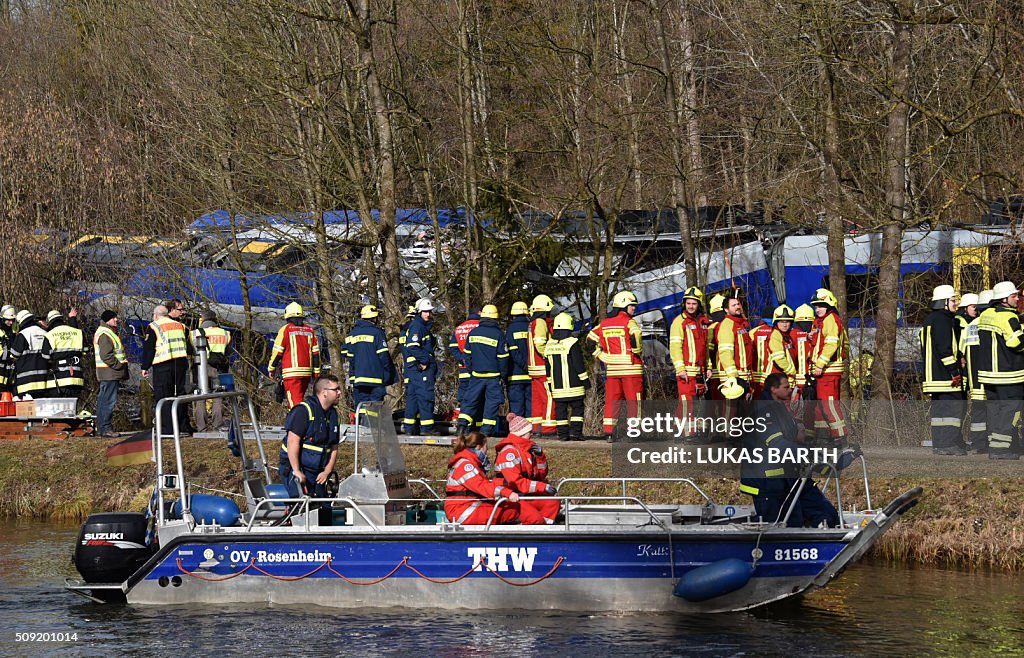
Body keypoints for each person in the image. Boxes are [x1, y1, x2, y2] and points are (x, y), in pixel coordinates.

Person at [741, 373, 840, 528]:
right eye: (786, 387)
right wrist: (807, 453)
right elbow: (777, 443)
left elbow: (790, 437)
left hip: (783, 479)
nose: (790, 390)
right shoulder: (763, 410)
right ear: (774, 389)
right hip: (766, 483)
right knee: (772, 528)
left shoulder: (779, 407)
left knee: (793, 522)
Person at [588, 290, 644, 440]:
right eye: (632, 306)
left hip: (612, 370)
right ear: (623, 306)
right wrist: (637, 351)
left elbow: (590, 340)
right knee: (634, 402)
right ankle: (634, 432)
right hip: (631, 369)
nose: (634, 309)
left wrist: (602, 356)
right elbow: (636, 336)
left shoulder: (604, 324)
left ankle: (609, 432)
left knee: (612, 401)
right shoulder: (630, 322)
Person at [977, 281, 1024, 460]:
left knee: (995, 410)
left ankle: (995, 446)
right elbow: (1016, 343)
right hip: (1008, 374)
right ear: (1004, 299)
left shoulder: (986, 314)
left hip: (988, 375)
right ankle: (1000, 450)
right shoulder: (1008, 318)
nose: (1017, 299)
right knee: (1011, 411)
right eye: (1014, 296)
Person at [920, 285, 966, 455]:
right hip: (945, 376)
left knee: (939, 413)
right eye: (953, 300)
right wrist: (955, 372)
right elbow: (945, 349)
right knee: (953, 410)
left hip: (933, 376)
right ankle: (947, 444)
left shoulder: (931, 319)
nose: (956, 304)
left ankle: (939, 444)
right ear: (944, 302)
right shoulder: (943, 320)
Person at [279, 374, 342, 497]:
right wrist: (296, 471)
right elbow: (292, 442)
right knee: (302, 510)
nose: (339, 392)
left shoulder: (333, 415)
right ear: (324, 392)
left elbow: (334, 447)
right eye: (336, 389)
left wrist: (327, 471)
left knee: (323, 510)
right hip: (297, 469)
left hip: (319, 473)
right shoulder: (303, 411)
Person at [445, 431, 526, 525]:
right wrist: (507, 493)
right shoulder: (466, 465)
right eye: (486, 448)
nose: (487, 452)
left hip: (468, 506)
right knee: (513, 510)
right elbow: (481, 486)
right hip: (463, 510)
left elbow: (483, 485)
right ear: (479, 447)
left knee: (508, 507)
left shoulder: (471, 463)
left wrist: (506, 485)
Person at [495, 413, 560, 523]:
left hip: (524, 494)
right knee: (534, 517)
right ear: (522, 433)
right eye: (529, 432)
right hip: (510, 497)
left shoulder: (526, 450)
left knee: (552, 502)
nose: (531, 434)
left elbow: (540, 475)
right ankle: (537, 528)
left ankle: (546, 529)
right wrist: (542, 487)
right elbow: (515, 482)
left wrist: (540, 457)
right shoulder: (509, 452)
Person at [141, 303, 193, 435]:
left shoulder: (154, 326)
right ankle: (183, 427)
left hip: (163, 365)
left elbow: (149, 349)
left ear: (156, 315)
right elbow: (190, 347)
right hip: (181, 364)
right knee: (180, 395)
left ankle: (167, 428)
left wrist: (145, 367)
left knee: (164, 397)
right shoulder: (181, 326)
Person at [457, 304, 508, 436]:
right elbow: (503, 358)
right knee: (492, 403)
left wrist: (471, 370)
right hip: (493, 377)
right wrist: (503, 374)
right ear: (495, 318)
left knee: (470, 401)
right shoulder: (498, 334)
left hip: (476, 375)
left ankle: (462, 426)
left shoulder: (473, 333)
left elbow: (466, 355)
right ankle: (485, 431)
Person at [809, 288, 848, 445]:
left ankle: (840, 436)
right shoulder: (823, 321)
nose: (817, 309)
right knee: (821, 405)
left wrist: (820, 364)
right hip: (824, 370)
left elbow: (831, 345)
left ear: (829, 305)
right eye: (816, 306)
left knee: (829, 404)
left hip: (828, 370)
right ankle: (823, 435)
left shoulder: (831, 319)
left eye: (820, 305)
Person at [544, 312, 590, 441]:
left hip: (557, 386)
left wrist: (549, 383)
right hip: (574, 385)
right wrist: (585, 380)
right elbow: (578, 364)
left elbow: (547, 367)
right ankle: (576, 433)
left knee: (561, 411)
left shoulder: (549, 344)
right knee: (577, 409)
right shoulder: (572, 342)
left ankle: (563, 435)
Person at [343, 304, 396, 414]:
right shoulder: (377, 333)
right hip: (376, 380)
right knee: (375, 409)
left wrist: (353, 376)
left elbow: (347, 355)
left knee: (361, 408)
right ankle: (374, 430)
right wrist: (389, 375)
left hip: (359, 380)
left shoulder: (351, 335)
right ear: (375, 318)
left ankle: (362, 429)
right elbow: (384, 357)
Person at [669, 287, 709, 433]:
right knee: (688, 404)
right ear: (684, 304)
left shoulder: (703, 322)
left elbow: (705, 348)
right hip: (686, 370)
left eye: (694, 303)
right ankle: (688, 434)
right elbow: (675, 347)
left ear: (699, 305)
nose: (691, 306)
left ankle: (678, 431)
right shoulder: (679, 322)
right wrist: (680, 369)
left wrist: (708, 367)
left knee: (688, 404)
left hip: (699, 371)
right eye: (688, 303)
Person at [268, 302, 320, 408]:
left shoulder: (286, 330)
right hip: (306, 372)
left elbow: (277, 352)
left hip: (291, 373)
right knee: (299, 400)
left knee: (295, 404)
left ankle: (298, 423)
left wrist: (271, 369)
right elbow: (316, 354)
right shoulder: (310, 330)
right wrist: (316, 374)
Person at [402, 298, 440, 435]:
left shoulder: (421, 327)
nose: (428, 314)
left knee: (413, 398)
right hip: (420, 369)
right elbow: (412, 346)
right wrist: (425, 360)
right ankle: (427, 428)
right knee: (425, 397)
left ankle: (409, 428)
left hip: (414, 370)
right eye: (425, 312)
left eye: (429, 312)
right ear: (419, 312)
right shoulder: (417, 327)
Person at [191, 310, 231, 433]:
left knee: (200, 396)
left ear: (202, 319)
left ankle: (201, 427)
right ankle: (217, 425)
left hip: (201, 367)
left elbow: (191, 350)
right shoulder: (226, 333)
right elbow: (228, 352)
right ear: (215, 320)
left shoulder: (195, 333)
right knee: (218, 395)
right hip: (219, 367)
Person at [960, 290, 991, 452]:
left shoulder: (970, 326)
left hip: (975, 382)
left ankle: (979, 444)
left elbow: (961, 352)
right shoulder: (992, 322)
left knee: (978, 414)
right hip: (992, 380)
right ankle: (994, 444)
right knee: (995, 413)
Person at [94, 309, 128, 437]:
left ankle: (102, 428)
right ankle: (105, 428)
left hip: (107, 372)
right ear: (108, 319)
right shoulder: (105, 333)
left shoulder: (105, 332)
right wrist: (118, 365)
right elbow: (106, 355)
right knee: (108, 401)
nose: (116, 320)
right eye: (114, 318)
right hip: (110, 372)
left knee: (104, 400)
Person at [713, 291, 752, 403]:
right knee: (731, 412)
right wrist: (733, 376)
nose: (737, 307)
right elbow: (725, 353)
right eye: (733, 305)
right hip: (733, 377)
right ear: (726, 310)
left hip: (743, 375)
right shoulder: (727, 325)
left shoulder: (741, 325)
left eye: (738, 304)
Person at [753, 305, 797, 401]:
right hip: (774, 378)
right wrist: (792, 371)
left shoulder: (785, 336)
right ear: (776, 322)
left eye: (787, 321)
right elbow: (779, 358)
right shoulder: (776, 335)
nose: (785, 325)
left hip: (779, 378)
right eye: (782, 322)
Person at [528, 294, 557, 436]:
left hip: (534, 369)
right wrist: (549, 355)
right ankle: (548, 428)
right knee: (549, 398)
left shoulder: (532, 323)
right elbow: (539, 343)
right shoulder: (540, 322)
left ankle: (537, 428)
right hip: (543, 367)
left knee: (537, 400)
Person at [449, 306, 481, 430]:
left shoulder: (459, 328)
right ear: (479, 313)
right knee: (479, 399)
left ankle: (464, 426)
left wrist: (462, 358)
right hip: (478, 370)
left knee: (464, 399)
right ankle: (476, 427)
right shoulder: (480, 326)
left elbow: (453, 347)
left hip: (463, 370)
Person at [45, 309, 86, 402]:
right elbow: (86, 350)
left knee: (59, 410)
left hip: (59, 379)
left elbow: (45, 356)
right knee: (73, 411)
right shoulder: (77, 332)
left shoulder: (50, 335)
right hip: (76, 377)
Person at [10, 310, 52, 399]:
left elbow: (14, 355)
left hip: (26, 383)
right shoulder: (46, 334)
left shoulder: (22, 335)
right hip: (44, 382)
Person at [505, 301, 533, 419]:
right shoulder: (532, 326)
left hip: (516, 375)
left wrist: (523, 365)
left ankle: (518, 432)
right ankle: (532, 431)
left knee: (517, 408)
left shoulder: (511, 329)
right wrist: (529, 367)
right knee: (531, 407)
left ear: (513, 314)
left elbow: (512, 351)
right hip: (532, 374)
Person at [704, 293, 727, 399]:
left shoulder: (711, 328)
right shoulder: (728, 326)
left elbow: (709, 351)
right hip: (720, 373)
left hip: (715, 373)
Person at [0, 306, 15, 394]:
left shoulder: (12, 333)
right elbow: (2, 354)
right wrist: (11, 356)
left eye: (12, 320)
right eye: (8, 320)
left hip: (9, 376)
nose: (11, 322)